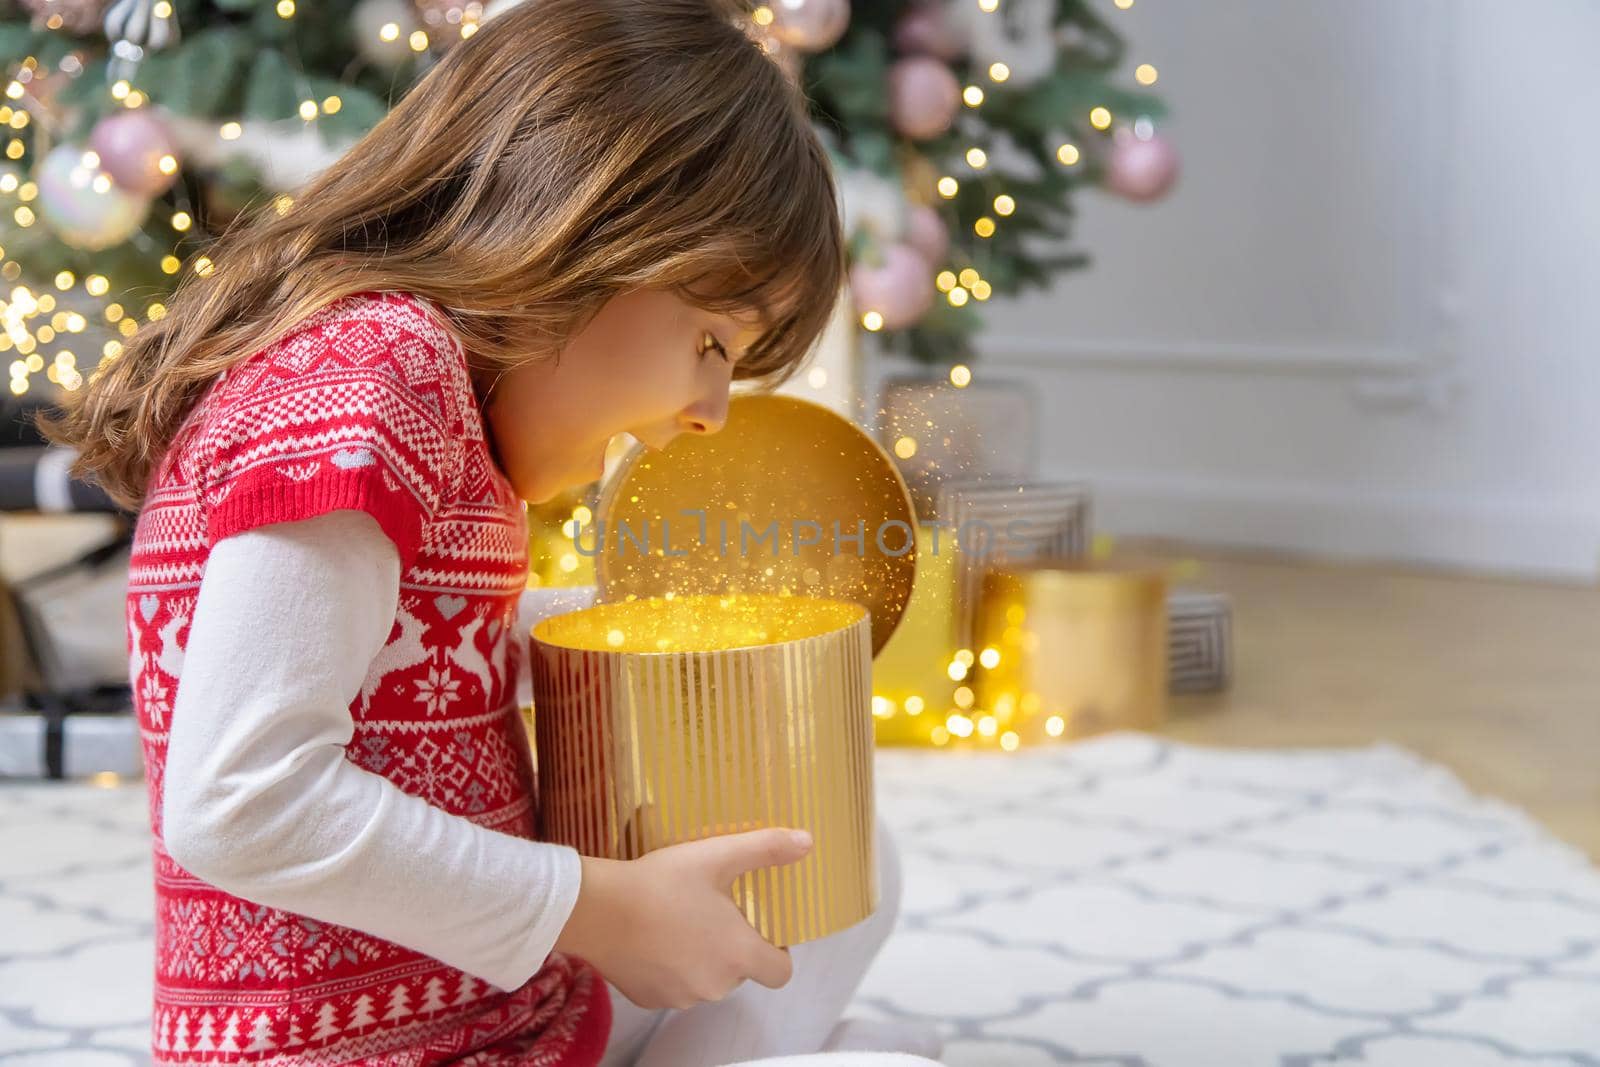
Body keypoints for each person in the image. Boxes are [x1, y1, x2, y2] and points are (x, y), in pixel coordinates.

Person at [40, 1, 942, 1064]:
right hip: (387, 1046)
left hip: (495, 1012)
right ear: (586, 228)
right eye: (709, 340)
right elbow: (238, 803)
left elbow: (405, 654)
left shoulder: (422, 393)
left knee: (835, 856)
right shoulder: (372, 380)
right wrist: (591, 906)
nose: (709, 411)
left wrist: (641, 632)